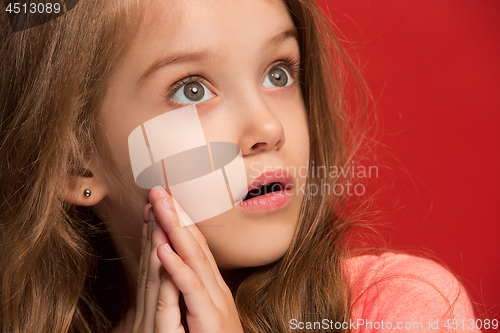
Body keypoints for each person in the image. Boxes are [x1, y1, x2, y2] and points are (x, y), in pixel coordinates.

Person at [0, 0, 482, 332]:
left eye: (279, 73)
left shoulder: (400, 308)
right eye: (192, 89)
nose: (268, 127)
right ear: (73, 162)